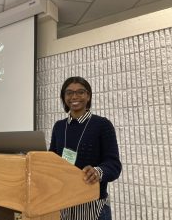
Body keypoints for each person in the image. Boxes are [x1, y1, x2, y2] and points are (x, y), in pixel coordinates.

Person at [49, 76, 122, 220]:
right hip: (63, 203)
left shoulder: (102, 125)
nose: (74, 96)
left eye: (80, 92)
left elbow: (114, 165)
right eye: (69, 93)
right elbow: (52, 159)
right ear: (64, 97)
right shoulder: (59, 126)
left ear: (88, 96)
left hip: (92, 206)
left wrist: (97, 171)